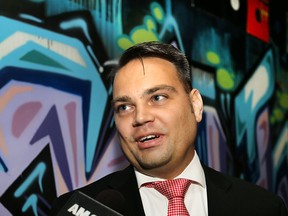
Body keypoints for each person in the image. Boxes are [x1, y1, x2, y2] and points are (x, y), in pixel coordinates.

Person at [49, 41, 288, 216]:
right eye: (124, 107)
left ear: (195, 104)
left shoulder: (263, 208)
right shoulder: (74, 209)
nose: (140, 117)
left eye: (158, 97)